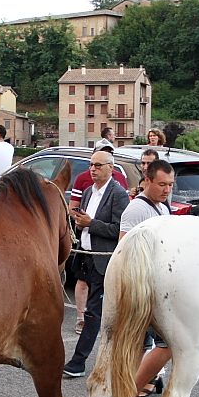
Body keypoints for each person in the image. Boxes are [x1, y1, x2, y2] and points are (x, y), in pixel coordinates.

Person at [118, 159, 176, 397]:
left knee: (152, 347)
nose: (167, 189)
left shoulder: (162, 206)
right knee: (159, 346)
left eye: (171, 185)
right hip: (141, 290)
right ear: (148, 181)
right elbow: (124, 251)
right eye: (162, 184)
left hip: (159, 289)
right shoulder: (136, 210)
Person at [63, 150, 130, 378]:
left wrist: (92, 224)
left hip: (105, 259)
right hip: (88, 256)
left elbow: (119, 229)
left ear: (111, 167)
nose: (93, 169)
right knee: (101, 312)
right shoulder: (89, 192)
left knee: (94, 312)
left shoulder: (119, 194)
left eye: (98, 165)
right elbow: (85, 222)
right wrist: (81, 225)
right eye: (91, 165)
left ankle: (78, 362)